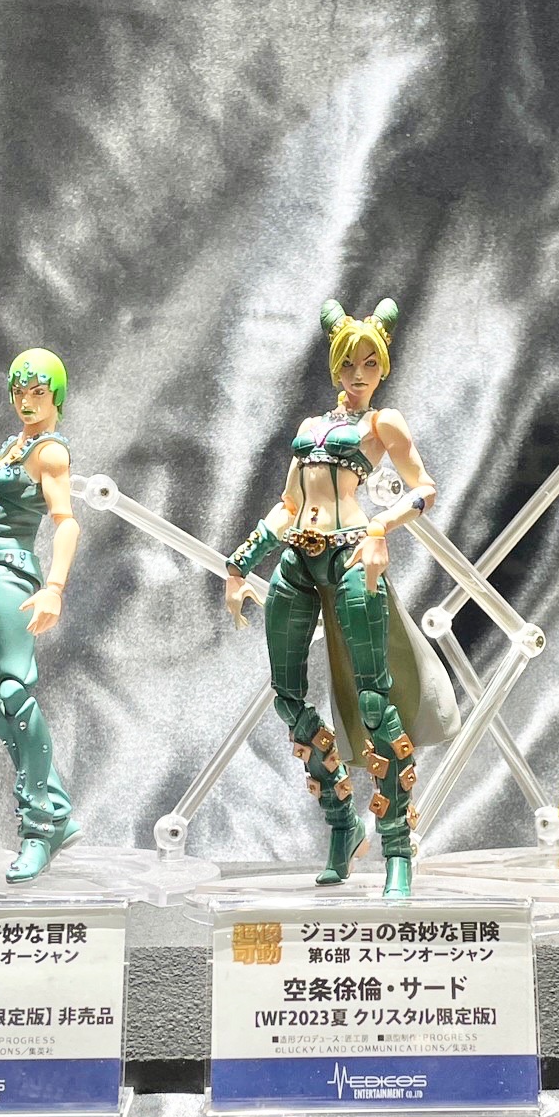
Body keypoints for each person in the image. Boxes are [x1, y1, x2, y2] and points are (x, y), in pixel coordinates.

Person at [225, 299, 440, 901]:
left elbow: (424, 487)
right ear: (334, 365)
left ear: (384, 366)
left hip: (350, 555)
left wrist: (381, 526)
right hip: (298, 558)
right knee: (288, 697)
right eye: (349, 363)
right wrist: (240, 563)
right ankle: (343, 824)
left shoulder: (383, 424)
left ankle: (397, 847)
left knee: (375, 701)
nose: (358, 373)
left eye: (370, 363)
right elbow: (289, 504)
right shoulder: (311, 426)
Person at [0, 348, 81, 884]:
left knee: (14, 690)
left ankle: (40, 826)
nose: (27, 401)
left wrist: (54, 587)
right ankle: (58, 807)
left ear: (56, 396)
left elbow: (66, 522)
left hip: (11, 571)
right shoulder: (12, 446)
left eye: (38, 392)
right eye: (20, 391)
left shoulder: (50, 452)